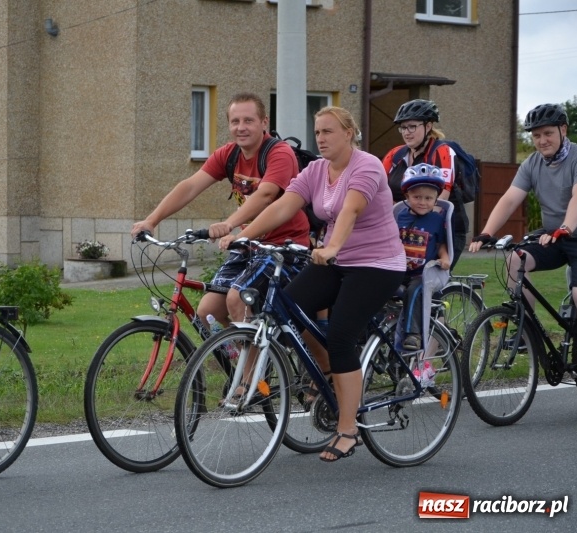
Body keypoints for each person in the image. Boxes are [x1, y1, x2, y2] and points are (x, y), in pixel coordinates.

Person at [221, 106, 405, 462]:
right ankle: (321, 376)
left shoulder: (366, 166)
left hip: (377, 265)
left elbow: (351, 209)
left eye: (328, 132)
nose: (321, 138)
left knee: (340, 336)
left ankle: (348, 429)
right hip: (334, 261)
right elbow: (284, 206)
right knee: (286, 309)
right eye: (317, 132)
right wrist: (242, 234)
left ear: (348, 133)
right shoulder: (317, 170)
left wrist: (333, 246)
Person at [131, 92, 310, 330]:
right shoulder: (229, 154)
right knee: (207, 313)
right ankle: (240, 362)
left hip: (284, 248)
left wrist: (229, 224)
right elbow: (191, 186)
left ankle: (251, 369)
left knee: (237, 299)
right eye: (235, 121)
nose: (241, 127)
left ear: (264, 122)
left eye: (249, 120)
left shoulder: (279, 153)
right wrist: (151, 220)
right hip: (248, 245)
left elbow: (266, 194)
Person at [469, 103, 577, 332]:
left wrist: (566, 228)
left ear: (563, 130)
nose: (542, 141)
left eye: (548, 133)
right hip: (553, 235)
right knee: (515, 259)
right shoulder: (532, 163)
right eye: (536, 135)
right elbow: (510, 199)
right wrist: (486, 233)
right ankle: (527, 332)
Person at [381, 99, 468, 269]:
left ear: (428, 126)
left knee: (428, 281)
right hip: (405, 226)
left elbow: (442, 198)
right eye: (403, 128)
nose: (407, 132)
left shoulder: (443, 152)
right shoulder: (395, 155)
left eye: (412, 126)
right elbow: (380, 190)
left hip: (442, 229)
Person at [397, 164, 451, 351]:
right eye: (417, 197)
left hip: (422, 274)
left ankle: (413, 334)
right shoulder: (399, 217)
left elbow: (440, 244)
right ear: (407, 196)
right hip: (398, 269)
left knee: (414, 290)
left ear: (436, 199)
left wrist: (444, 258)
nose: (422, 202)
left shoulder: (436, 220)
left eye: (428, 198)